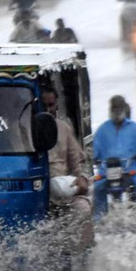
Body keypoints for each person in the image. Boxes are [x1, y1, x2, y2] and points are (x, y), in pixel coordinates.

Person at [42, 89, 93, 248]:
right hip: (36, 188)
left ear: (56, 106)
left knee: (85, 208)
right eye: (44, 106)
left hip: (63, 188)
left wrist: (82, 178)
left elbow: (77, 161)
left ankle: (81, 252)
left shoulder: (63, 128)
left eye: (51, 105)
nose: (48, 110)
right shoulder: (23, 130)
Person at [92, 95, 136, 218]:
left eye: (120, 109)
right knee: (97, 188)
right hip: (107, 171)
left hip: (131, 169)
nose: (117, 113)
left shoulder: (135, 128)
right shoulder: (102, 130)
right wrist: (92, 157)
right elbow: (94, 151)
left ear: (124, 110)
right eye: (115, 110)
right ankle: (99, 219)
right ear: (110, 110)